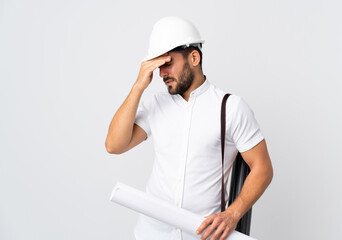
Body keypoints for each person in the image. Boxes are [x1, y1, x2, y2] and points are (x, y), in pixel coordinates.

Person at [105, 16, 273, 240]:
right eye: (157, 65)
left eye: (167, 63)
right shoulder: (155, 104)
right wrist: (138, 86)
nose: (161, 73)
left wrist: (233, 214)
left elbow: (262, 168)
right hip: (150, 234)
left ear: (194, 57)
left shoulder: (230, 108)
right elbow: (114, 145)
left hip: (202, 236)